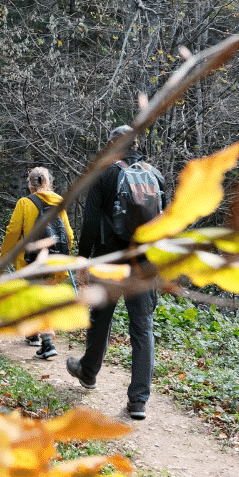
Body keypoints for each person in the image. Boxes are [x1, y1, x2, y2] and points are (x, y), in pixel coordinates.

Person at [67, 125, 167, 421]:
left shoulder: (105, 174)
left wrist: (83, 261)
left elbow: (90, 223)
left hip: (110, 260)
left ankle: (89, 372)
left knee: (100, 319)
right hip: (145, 263)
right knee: (142, 328)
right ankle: (138, 401)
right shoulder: (157, 176)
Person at [0, 166, 75, 360]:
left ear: (30, 184)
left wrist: (4, 255)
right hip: (54, 259)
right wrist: (63, 253)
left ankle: (46, 341)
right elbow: (69, 234)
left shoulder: (24, 203)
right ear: (47, 182)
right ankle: (33, 334)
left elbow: (13, 231)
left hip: (30, 260)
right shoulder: (58, 201)